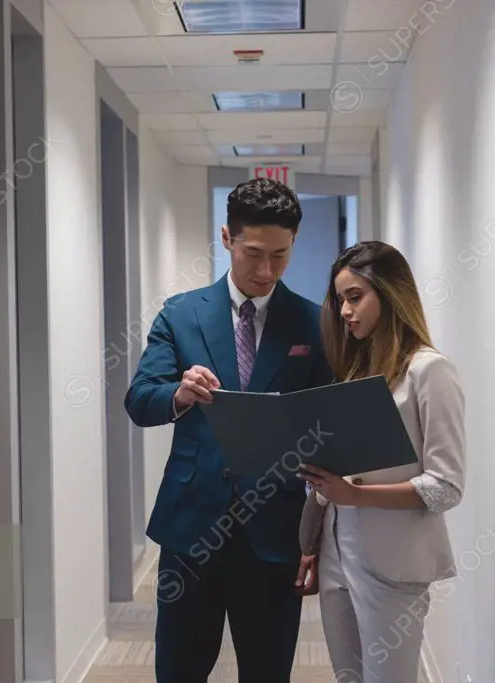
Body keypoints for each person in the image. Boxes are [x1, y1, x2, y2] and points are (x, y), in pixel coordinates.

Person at [124, 177, 334, 683]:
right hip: (189, 526)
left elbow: (331, 425)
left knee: (267, 671)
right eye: (253, 253)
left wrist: (319, 528)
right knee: (179, 669)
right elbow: (139, 400)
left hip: (274, 531)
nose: (266, 270)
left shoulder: (314, 323)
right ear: (226, 239)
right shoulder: (181, 314)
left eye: (280, 256)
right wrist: (178, 392)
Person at [297, 240, 467, 682]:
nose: (345, 311)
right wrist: (314, 538)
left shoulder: (430, 371)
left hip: (393, 562)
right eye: (340, 301)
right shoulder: (357, 373)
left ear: (390, 294)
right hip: (336, 551)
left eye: (356, 297)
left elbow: (446, 486)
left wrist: (355, 494)